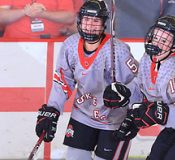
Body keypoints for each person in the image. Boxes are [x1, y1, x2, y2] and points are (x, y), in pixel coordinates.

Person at [34, 0, 139, 159]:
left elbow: (138, 83)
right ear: (79, 21)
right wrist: (52, 110)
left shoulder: (118, 50)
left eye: (96, 20)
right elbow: (63, 81)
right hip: (82, 116)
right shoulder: (70, 45)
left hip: (114, 120)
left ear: (104, 23)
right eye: (87, 20)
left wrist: (125, 94)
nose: (90, 25)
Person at [104, 15, 175, 160]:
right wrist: (125, 94)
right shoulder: (148, 59)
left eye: (164, 41)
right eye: (155, 38)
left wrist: (157, 114)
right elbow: (144, 91)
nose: (156, 44)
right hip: (174, 128)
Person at [0, 0, 74, 39]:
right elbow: (1, 16)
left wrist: (42, 13)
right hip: (15, 44)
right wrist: (25, 11)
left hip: (52, 43)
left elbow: (70, 17)